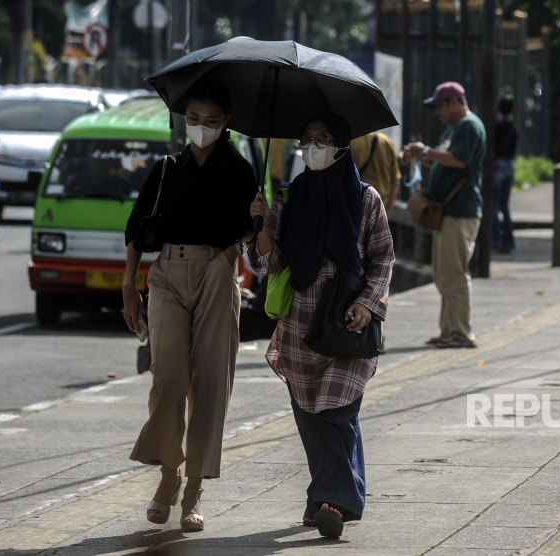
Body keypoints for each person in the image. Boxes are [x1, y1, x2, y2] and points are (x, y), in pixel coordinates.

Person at [248, 113, 394, 538]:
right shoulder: (289, 198)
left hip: (347, 323)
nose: (313, 147)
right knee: (310, 416)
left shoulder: (367, 200)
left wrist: (369, 304)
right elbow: (269, 263)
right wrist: (260, 225)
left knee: (336, 410)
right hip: (299, 326)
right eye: (307, 139)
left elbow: (383, 258)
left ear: (342, 144)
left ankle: (337, 501)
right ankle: (322, 498)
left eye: (323, 138)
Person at [122, 80, 257, 532]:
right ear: (184, 119)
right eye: (194, 119)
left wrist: (256, 221)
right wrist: (128, 287)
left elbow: (252, 237)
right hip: (167, 274)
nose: (201, 128)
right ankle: (168, 475)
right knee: (169, 377)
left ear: (226, 124)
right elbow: (135, 229)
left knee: (211, 381)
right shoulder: (166, 169)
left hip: (218, 272)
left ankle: (195, 488)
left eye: (212, 121)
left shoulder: (240, 172)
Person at [401, 81, 486, 349]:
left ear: (453, 103)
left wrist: (425, 151)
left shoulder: (469, 126)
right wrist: (420, 155)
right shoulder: (455, 127)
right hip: (449, 212)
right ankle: (449, 330)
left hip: (460, 211)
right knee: (442, 273)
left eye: (440, 106)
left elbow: (460, 160)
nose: (438, 112)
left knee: (455, 273)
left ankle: (461, 332)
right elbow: (446, 158)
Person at [351, 131, 401, 216]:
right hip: (379, 211)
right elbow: (394, 184)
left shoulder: (348, 142)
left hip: (353, 212)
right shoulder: (386, 141)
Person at [493, 94, 518, 253]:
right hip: (510, 165)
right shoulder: (513, 130)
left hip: (498, 166)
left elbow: (493, 148)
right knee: (505, 206)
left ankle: (496, 239)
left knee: (493, 205)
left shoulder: (497, 128)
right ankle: (509, 241)